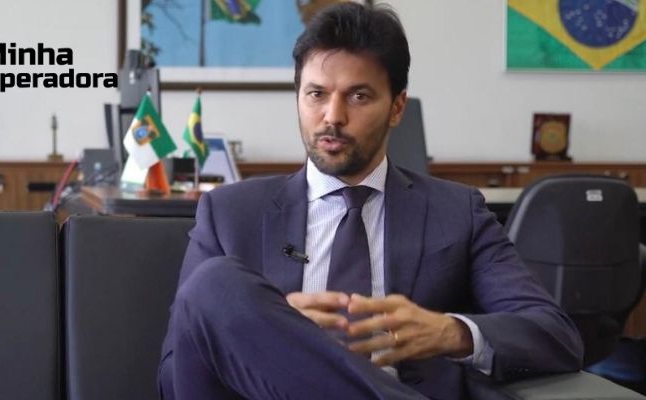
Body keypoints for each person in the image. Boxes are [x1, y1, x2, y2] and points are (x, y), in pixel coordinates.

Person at [158, 3, 583, 399]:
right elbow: (174, 375)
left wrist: (448, 332)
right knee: (214, 283)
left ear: (397, 107)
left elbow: (555, 334)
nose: (333, 116)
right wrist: (270, 331)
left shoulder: (457, 213)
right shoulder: (230, 213)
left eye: (358, 96)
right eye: (316, 94)